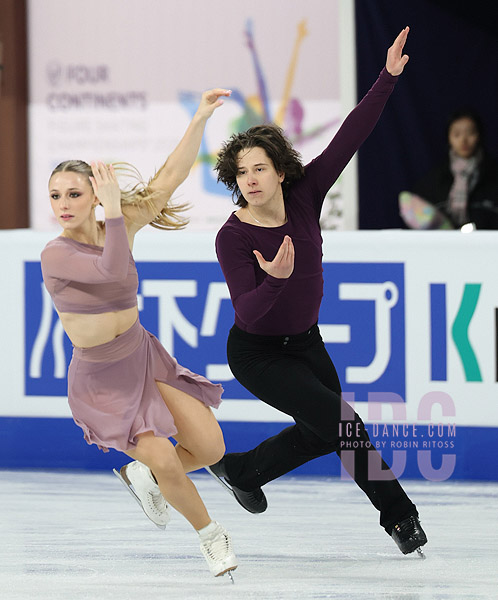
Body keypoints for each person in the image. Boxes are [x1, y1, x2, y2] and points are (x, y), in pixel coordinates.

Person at [205, 27, 428, 557]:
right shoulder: (232, 236)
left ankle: (243, 469)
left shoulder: (305, 195)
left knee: (323, 430)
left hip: (306, 343)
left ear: (281, 171)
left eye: (261, 168)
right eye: (243, 173)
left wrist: (388, 78)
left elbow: (349, 136)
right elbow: (250, 314)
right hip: (257, 353)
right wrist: (276, 279)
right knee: (344, 424)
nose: (252, 179)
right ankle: (402, 518)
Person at [40, 88, 238, 580]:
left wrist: (199, 120)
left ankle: (141, 474)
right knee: (168, 459)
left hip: (144, 357)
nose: (63, 204)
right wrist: (110, 211)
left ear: (93, 193)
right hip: (101, 380)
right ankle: (212, 537)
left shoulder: (119, 221)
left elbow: (169, 178)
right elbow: (110, 272)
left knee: (211, 449)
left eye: (73, 193)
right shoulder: (55, 254)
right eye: (55, 196)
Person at [410, 108, 498, 229]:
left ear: (479, 135)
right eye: (457, 134)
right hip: (446, 246)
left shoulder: (493, 175)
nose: (463, 140)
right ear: (449, 138)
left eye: (470, 133)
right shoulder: (435, 180)